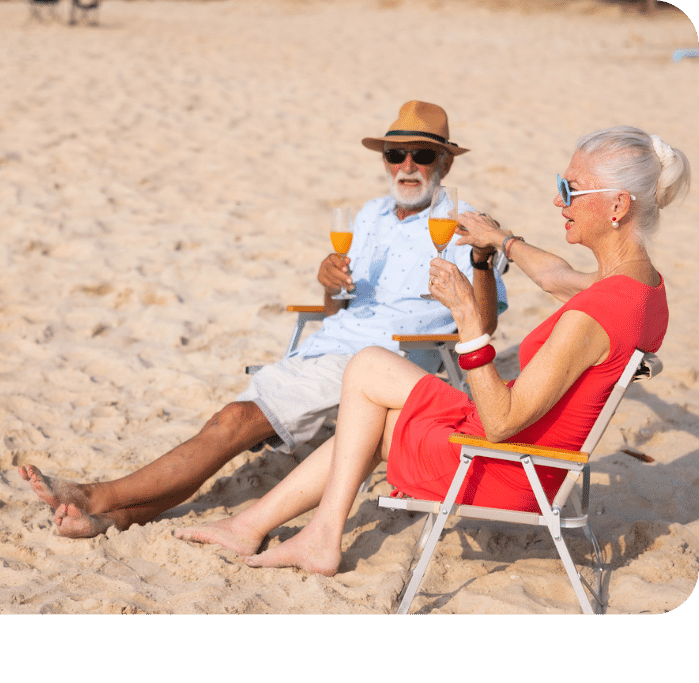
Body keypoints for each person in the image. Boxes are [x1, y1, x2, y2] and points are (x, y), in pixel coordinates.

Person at [175, 126, 688, 576]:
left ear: (618, 205)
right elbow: (556, 277)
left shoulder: (589, 317)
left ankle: (314, 536)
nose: (558, 201)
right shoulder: (640, 288)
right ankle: (268, 527)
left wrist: (468, 318)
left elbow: (502, 421)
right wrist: (500, 241)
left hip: (506, 465)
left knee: (369, 408)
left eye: (568, 189)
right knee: (369, 367)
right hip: (534, 449)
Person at [19, 101, 508, 537]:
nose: (407, 166)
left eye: (422, 155)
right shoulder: (370, 214)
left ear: (444, 161)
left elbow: (484, 327)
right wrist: (327, 282)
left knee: (233, 422)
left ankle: (95, 495)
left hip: (384, 361)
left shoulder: (466, 221)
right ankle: (116, 518)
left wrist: (482, 262)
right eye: (394, 155)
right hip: (327, 346)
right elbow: (338, 304)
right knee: (230, 426)